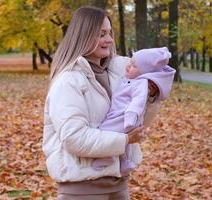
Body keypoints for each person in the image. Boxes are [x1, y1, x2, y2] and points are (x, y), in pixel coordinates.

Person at [43, 6, 163, 200]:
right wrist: (123, 141)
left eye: (109, 33)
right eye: (101, 34)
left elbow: (133, 124)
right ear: (84, 36)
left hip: (118, 183)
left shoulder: (119, 73)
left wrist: (149, 97)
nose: (109, 40)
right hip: (82, 188)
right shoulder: (69, 81)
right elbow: (74, 137)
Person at [91, 47, 176, 175]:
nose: (128, 67)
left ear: (145, 73)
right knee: (126, 142)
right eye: (130, 62)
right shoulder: (133, 79)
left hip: (124, 117)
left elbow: (138, 102)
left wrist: (130, 118)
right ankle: (125, 162)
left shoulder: (141, 84)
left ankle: (105, 156)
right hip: (122, 115)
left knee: (107, 129)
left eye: (134, 66)